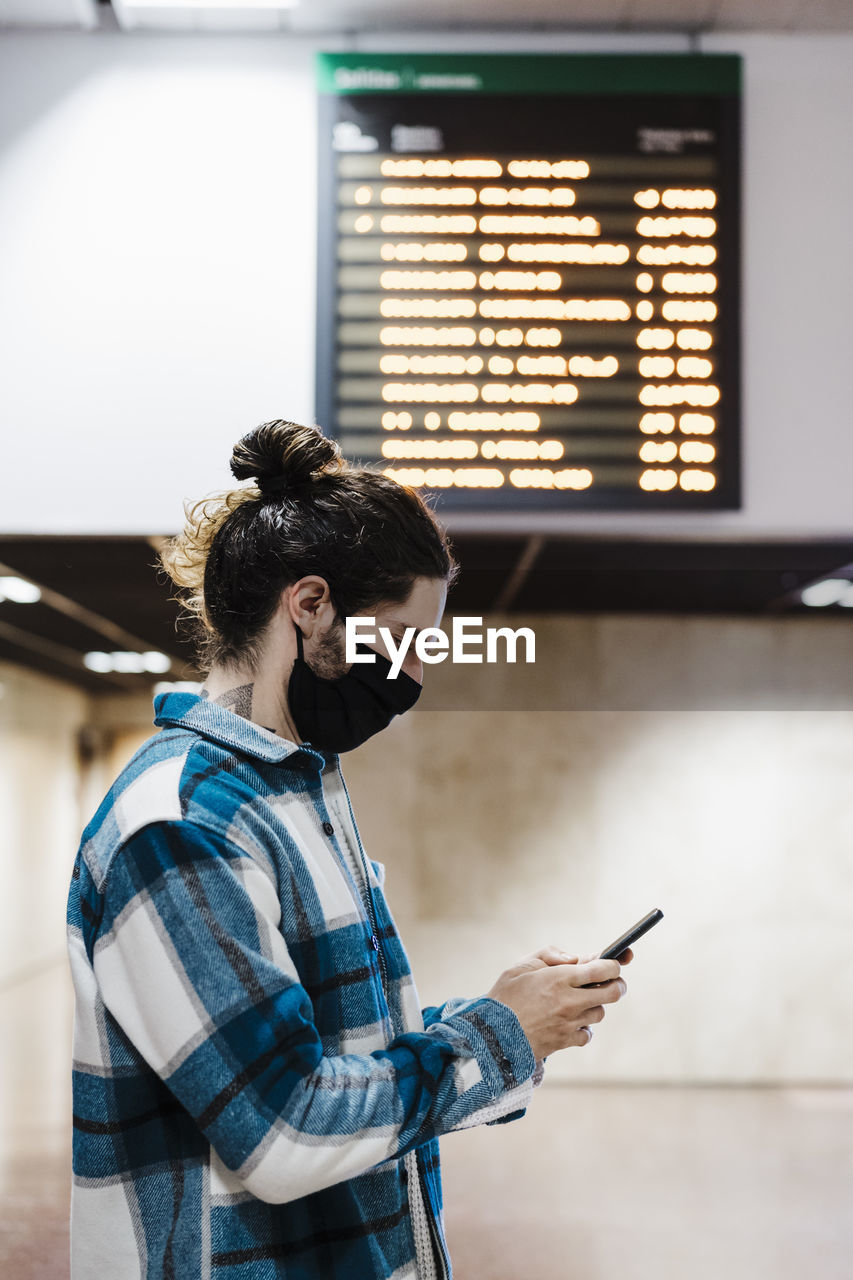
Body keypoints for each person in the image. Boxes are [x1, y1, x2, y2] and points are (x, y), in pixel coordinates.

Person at [67, 419, 629, 1280]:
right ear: (310, 606)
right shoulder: (182, 824)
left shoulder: (296, 788)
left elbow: (323, 1057)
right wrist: (497, 1036)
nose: (409, 676)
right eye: (398, 640)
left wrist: (512, 1015)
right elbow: (284, 1129)